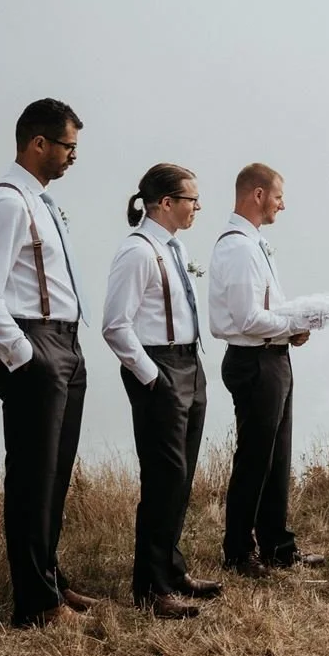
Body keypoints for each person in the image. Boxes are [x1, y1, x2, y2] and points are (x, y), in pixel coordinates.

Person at [0, 97, 97, 628]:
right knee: (33, 477)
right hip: (35, 344)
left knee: (55, 474)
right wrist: (26, 356)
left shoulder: (39, 201)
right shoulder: (7, 202)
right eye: (69, 146)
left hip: (64, 342)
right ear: (38, 143)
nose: (73, 157)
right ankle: (36, 604)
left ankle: (51, 580)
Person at [102, 163, 220, 619]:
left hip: (190, 363)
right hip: (160, 368)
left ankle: (172, 569)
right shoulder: (137, 252)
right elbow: (116, 326)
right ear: (166, 203)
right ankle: (150, 588)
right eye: (192, 200)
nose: (198, 208)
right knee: (163, 478)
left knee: (182, 475)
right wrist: (153, 377)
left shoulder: (173, 247)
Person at [210, 163, 325, 576]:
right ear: (257, 195)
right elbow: (245, 318)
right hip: (254, 361)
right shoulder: (238, 247)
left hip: (273, 357)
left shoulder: (254, 243)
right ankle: (238, 551)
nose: (282, 204)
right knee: (255, 459)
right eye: (278, 196)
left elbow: (266, 309)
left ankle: (277, 545)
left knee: (277, 458)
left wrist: (291, 330)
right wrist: (293, 325)